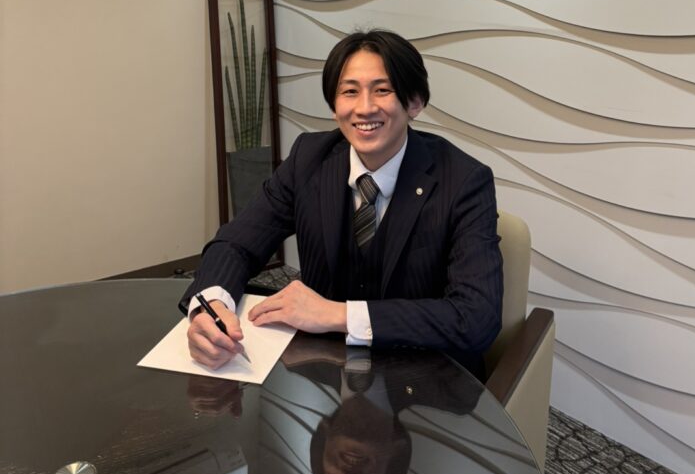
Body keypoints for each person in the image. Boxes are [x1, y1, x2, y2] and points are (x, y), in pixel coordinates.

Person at [181, 29, 502, 376]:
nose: (364, 108)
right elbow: (237, 242)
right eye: (350, 91)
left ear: (414, 102)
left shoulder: (464, 181)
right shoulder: (308, 159)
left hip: (421, 377)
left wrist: (338, 314)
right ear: (334, 107)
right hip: (325, 371)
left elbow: (476, 317)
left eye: (382, 90)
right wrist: (209, 306)